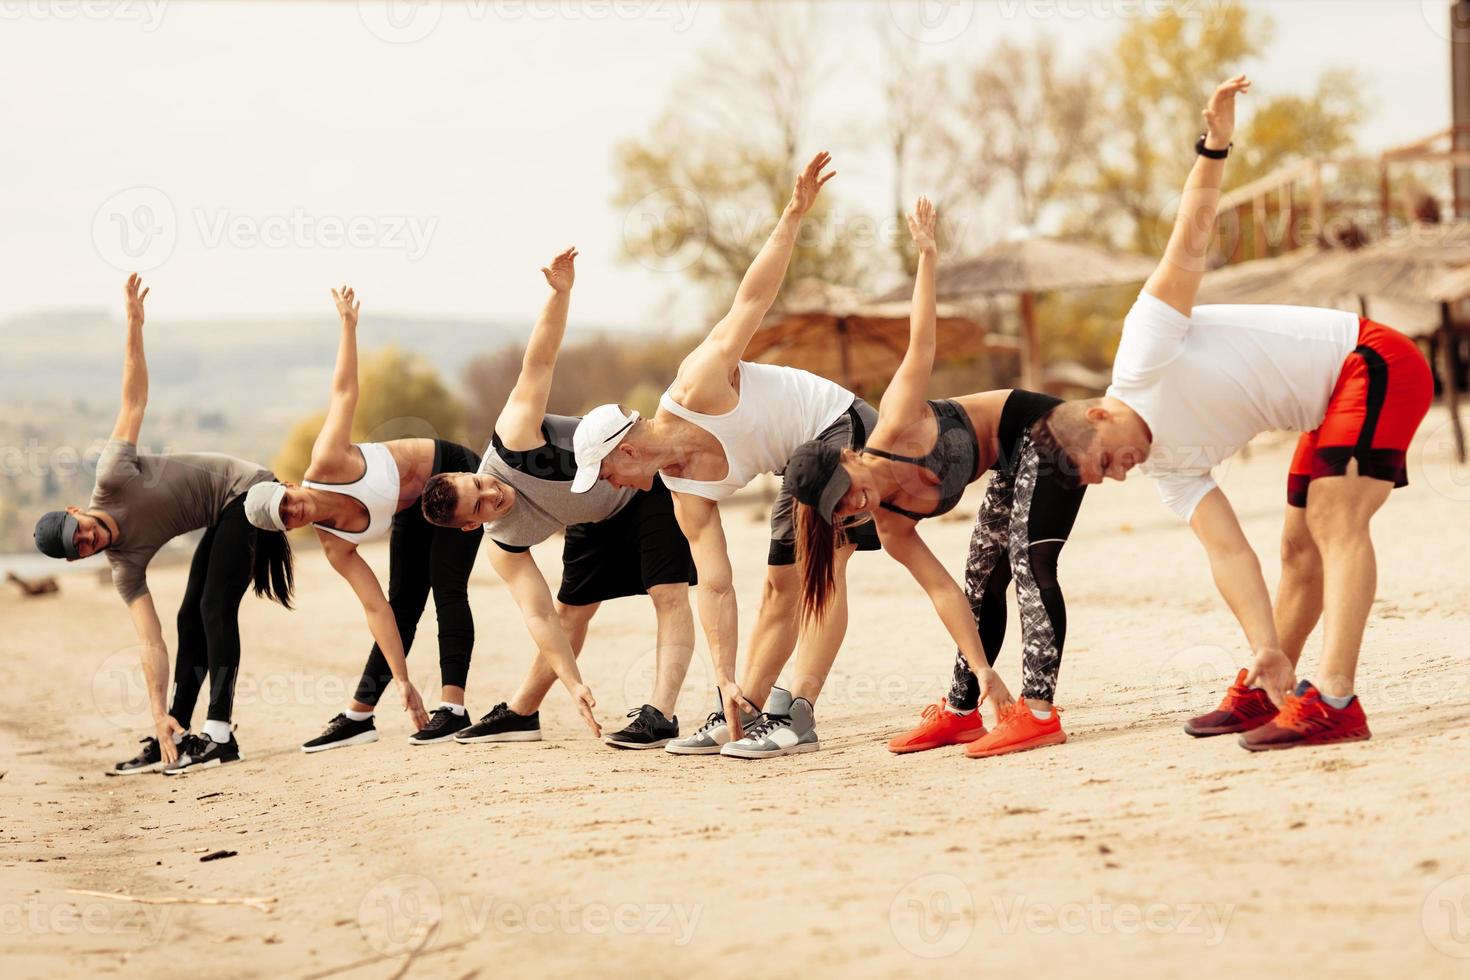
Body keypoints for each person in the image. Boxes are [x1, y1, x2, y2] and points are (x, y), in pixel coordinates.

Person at [1027, 76, 1433, 751]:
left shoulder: (1144, 350)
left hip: (1372, 360)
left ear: (1100, 415)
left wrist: (1213, 148)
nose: (1120, 476)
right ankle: (1268, 683)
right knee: (1294, 548)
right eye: (1105, 481)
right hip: (1327, 403)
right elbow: (1229, 550)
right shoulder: (1165, 469)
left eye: (1104, 463)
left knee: (1334, 518)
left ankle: (1336, 701)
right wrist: (1263, 642)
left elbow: (1187, 242)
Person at [572, 151, 885, 760]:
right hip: (796, 461)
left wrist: (793, 214)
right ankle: (741, 709)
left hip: (837, 427)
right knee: (776, 584)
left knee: (821, 567)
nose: (615, 486)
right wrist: (723, 675)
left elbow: (752, 299)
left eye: (609, 473)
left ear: (627, 446)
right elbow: (714, 588)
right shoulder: (683, 492)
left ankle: (797, 716)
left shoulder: (697, 386)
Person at [782, 198, 1088, 759]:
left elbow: (921, 339)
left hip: (1047, 429)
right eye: (841, 510)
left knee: (1028, 559)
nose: (853, 506)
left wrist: (927, 255)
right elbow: (942, 591)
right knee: (978, 578)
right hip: (1011, 460)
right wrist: (982, 669)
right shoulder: (891, 524)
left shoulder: (896, 420)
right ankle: (963, 710)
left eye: (844, 492)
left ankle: (1040, 712)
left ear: (847, 457)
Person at [418, 248, 695, 749]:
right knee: (570, 613)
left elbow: (538, 361)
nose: (492, 494)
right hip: (590, 519)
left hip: (637, 488)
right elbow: (540, 616)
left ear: (468, 471)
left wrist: (558, 294)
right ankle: (523, 714)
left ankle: (661, 714)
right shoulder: (503, 546)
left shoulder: (515, 440)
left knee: (668, 592)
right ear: (468, 527)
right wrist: (574, 684)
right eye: (478, 507)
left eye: (477, 483)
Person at [32, 275, 295, 776]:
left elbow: (133, 401)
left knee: (214, 605)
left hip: (251, 491)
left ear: (75, 510)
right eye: (79, 549)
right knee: (185, 617)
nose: (88, 540)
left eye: (80, 530)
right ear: (77, 558)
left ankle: (219, 733)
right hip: (225, 513)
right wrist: (155, 713)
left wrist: (133, 325)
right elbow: (150, 642)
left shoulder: (112, 476)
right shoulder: (123, 566)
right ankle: (174, 727)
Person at [243, 286, 493, 752]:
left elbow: (344, 391)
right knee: (401, 606)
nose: (293, 510)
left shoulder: (328, 460)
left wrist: (348, 326)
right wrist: (403, 681)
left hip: (452, 475)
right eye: (285, 518)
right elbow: (376, 610)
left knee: (447, 586)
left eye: (286, 500)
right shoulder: (335, 545)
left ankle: (453, 708)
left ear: (289, 485)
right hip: (412, 512)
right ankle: (362, 714)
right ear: (287, 529)